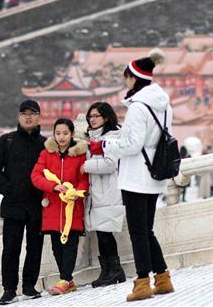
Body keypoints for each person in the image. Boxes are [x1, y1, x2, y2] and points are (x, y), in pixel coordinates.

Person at [89, 49, 175, 301]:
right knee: (147, 230)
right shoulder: (163, 105)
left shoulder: (139, 107)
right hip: (155, 174)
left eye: (126, 77)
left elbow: (132, 145)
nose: (125, 82)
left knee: (138, 232)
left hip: (137, 175)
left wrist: (103, 145)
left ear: (134, 78)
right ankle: (162, 278)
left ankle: (142, 283)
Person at [0, 100, 46, 305]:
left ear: (39, 116)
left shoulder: (45, 144)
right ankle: (9, 289)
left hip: (37, 204)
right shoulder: (7, 141)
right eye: (24, 113)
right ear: (19, 116)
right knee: (11, 248)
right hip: (13, 204)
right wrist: (7, 187)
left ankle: (29, 286)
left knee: (35, 247)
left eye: (32, 113)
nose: (28, 117)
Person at [30, 118, 88, 296]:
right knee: (57, 246)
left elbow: (84, 179)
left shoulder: (80, 155)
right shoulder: (46, 154)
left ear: (72, 134)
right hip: (53, 207)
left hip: (72, 208)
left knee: (71, 245)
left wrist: (77, 192)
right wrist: (53, 187)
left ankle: (64, 279)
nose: (61, 137)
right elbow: (36, 176)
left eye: (65, 133)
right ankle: (68, 281)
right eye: (58, 133)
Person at [84, 102, 127, 287]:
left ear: (106, 117)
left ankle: (115, 270)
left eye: (96, 116)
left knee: (105, 234)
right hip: (97, 195)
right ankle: (108, 270)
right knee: (101, 234)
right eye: (90, 116)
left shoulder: (112, 137)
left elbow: (111, 163)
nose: (92, 119)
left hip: (109, 192)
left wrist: (85, 167)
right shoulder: (92, 138)